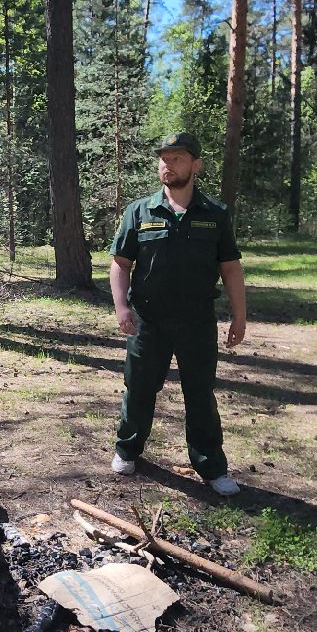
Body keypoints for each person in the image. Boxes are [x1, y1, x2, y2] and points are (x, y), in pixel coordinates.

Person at [107, 132, 247, 497]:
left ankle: (211, 467)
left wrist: (240, 316)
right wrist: (122, 306)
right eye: (164, 159)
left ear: (196, 165)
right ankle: (127, 449)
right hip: (147, 322)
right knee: (138, 389)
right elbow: (120, 263)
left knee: (200, 395)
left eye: (177, 159)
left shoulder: (215, 214)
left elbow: (231, 268)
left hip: (197, 323)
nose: (167, 165)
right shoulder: (140, 211)